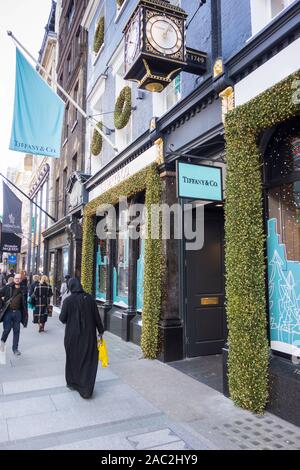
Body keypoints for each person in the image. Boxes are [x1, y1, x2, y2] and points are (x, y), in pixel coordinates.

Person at [59, 278, 104, 399]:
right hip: (88, 336)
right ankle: (86, 389)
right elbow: (97, 317)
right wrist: (100, 331)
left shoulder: (68, 301)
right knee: (87, 359)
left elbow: (62, 318)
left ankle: (73, 383)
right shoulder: (89, 299)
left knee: (73, 358)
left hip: (72, 336)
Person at [0, 273, 28, 356]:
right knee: (7, 330)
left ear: (21, 280)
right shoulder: (8, 287)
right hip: (8, 312)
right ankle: (2, 345)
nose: (17, 280)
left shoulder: (23, 289)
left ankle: (15, 349)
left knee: (17, 331)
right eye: (16, 278)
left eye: (19, 278)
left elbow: (25, 302)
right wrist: (1, 305)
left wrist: (25, 313)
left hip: (18, 313)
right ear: (14, 279)